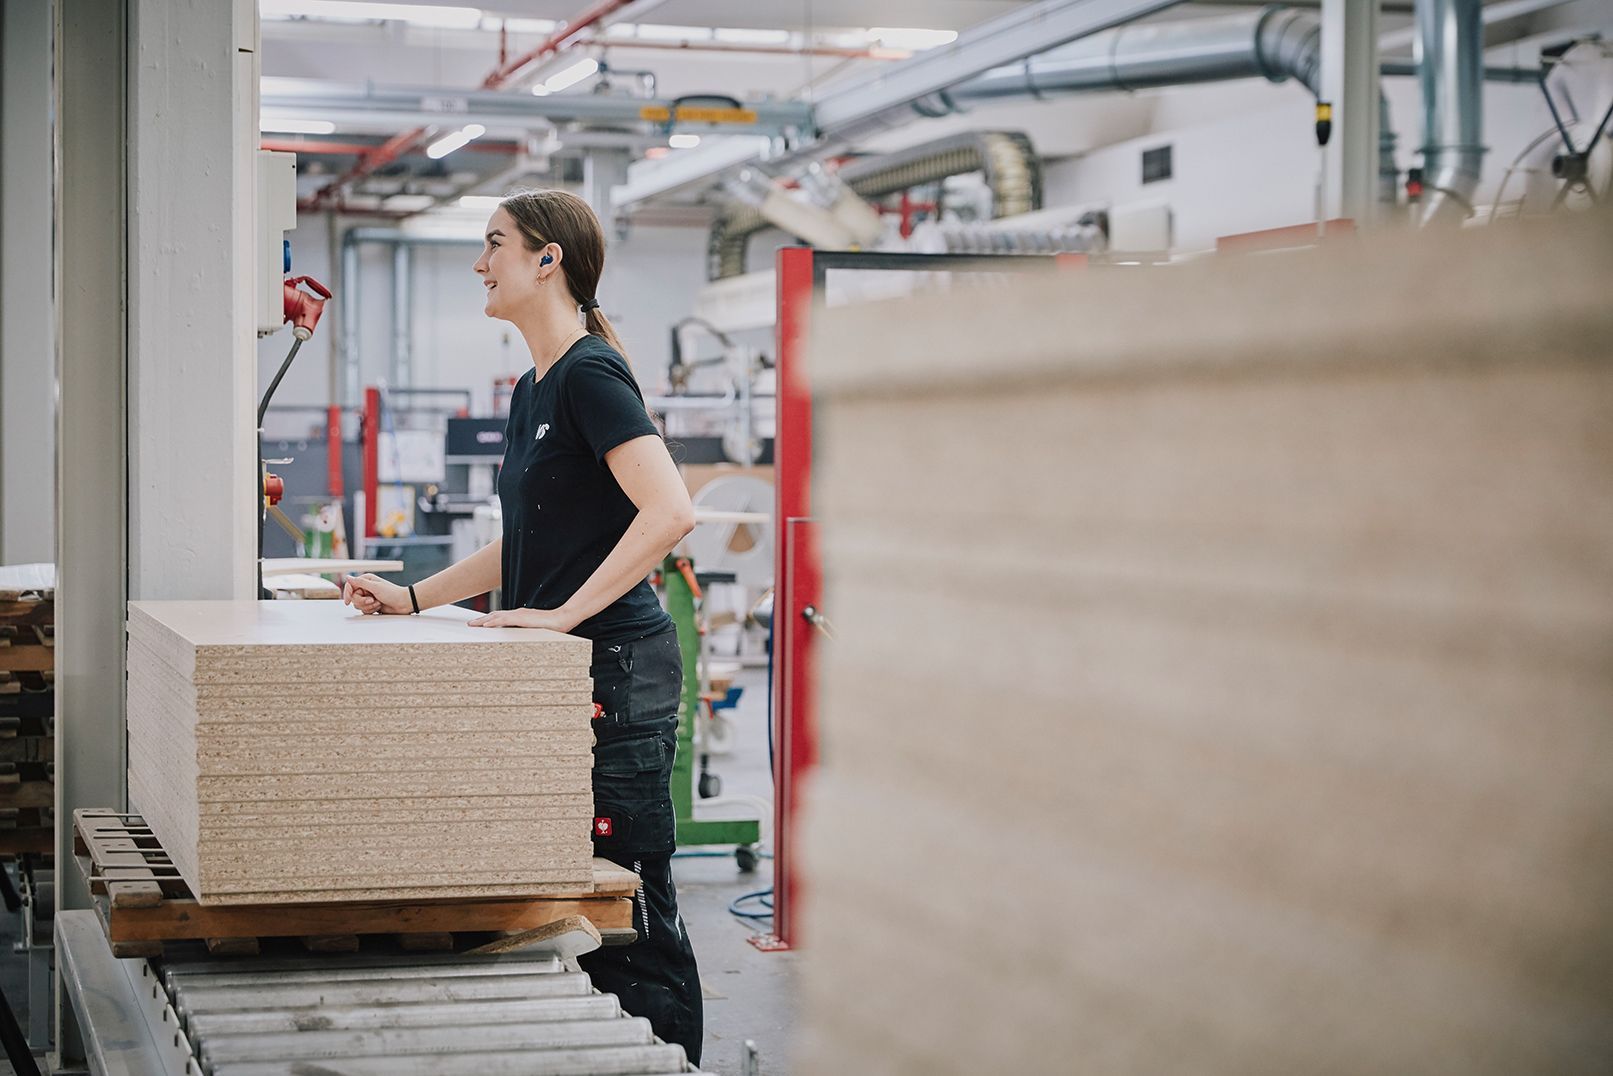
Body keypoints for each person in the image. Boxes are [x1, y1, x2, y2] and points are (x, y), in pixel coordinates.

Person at [341, 189, 703, 1063]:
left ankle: (671, 1059)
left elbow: (670, 511)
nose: (480, 264)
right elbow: (530, 540)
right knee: (564, 894)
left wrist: (567, 616)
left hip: (614, 669)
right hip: (563, 672)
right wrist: (416, 596)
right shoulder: (533, 388)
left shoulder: (588, 373)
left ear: (549, 260)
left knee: (629, 903)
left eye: (493, 244)